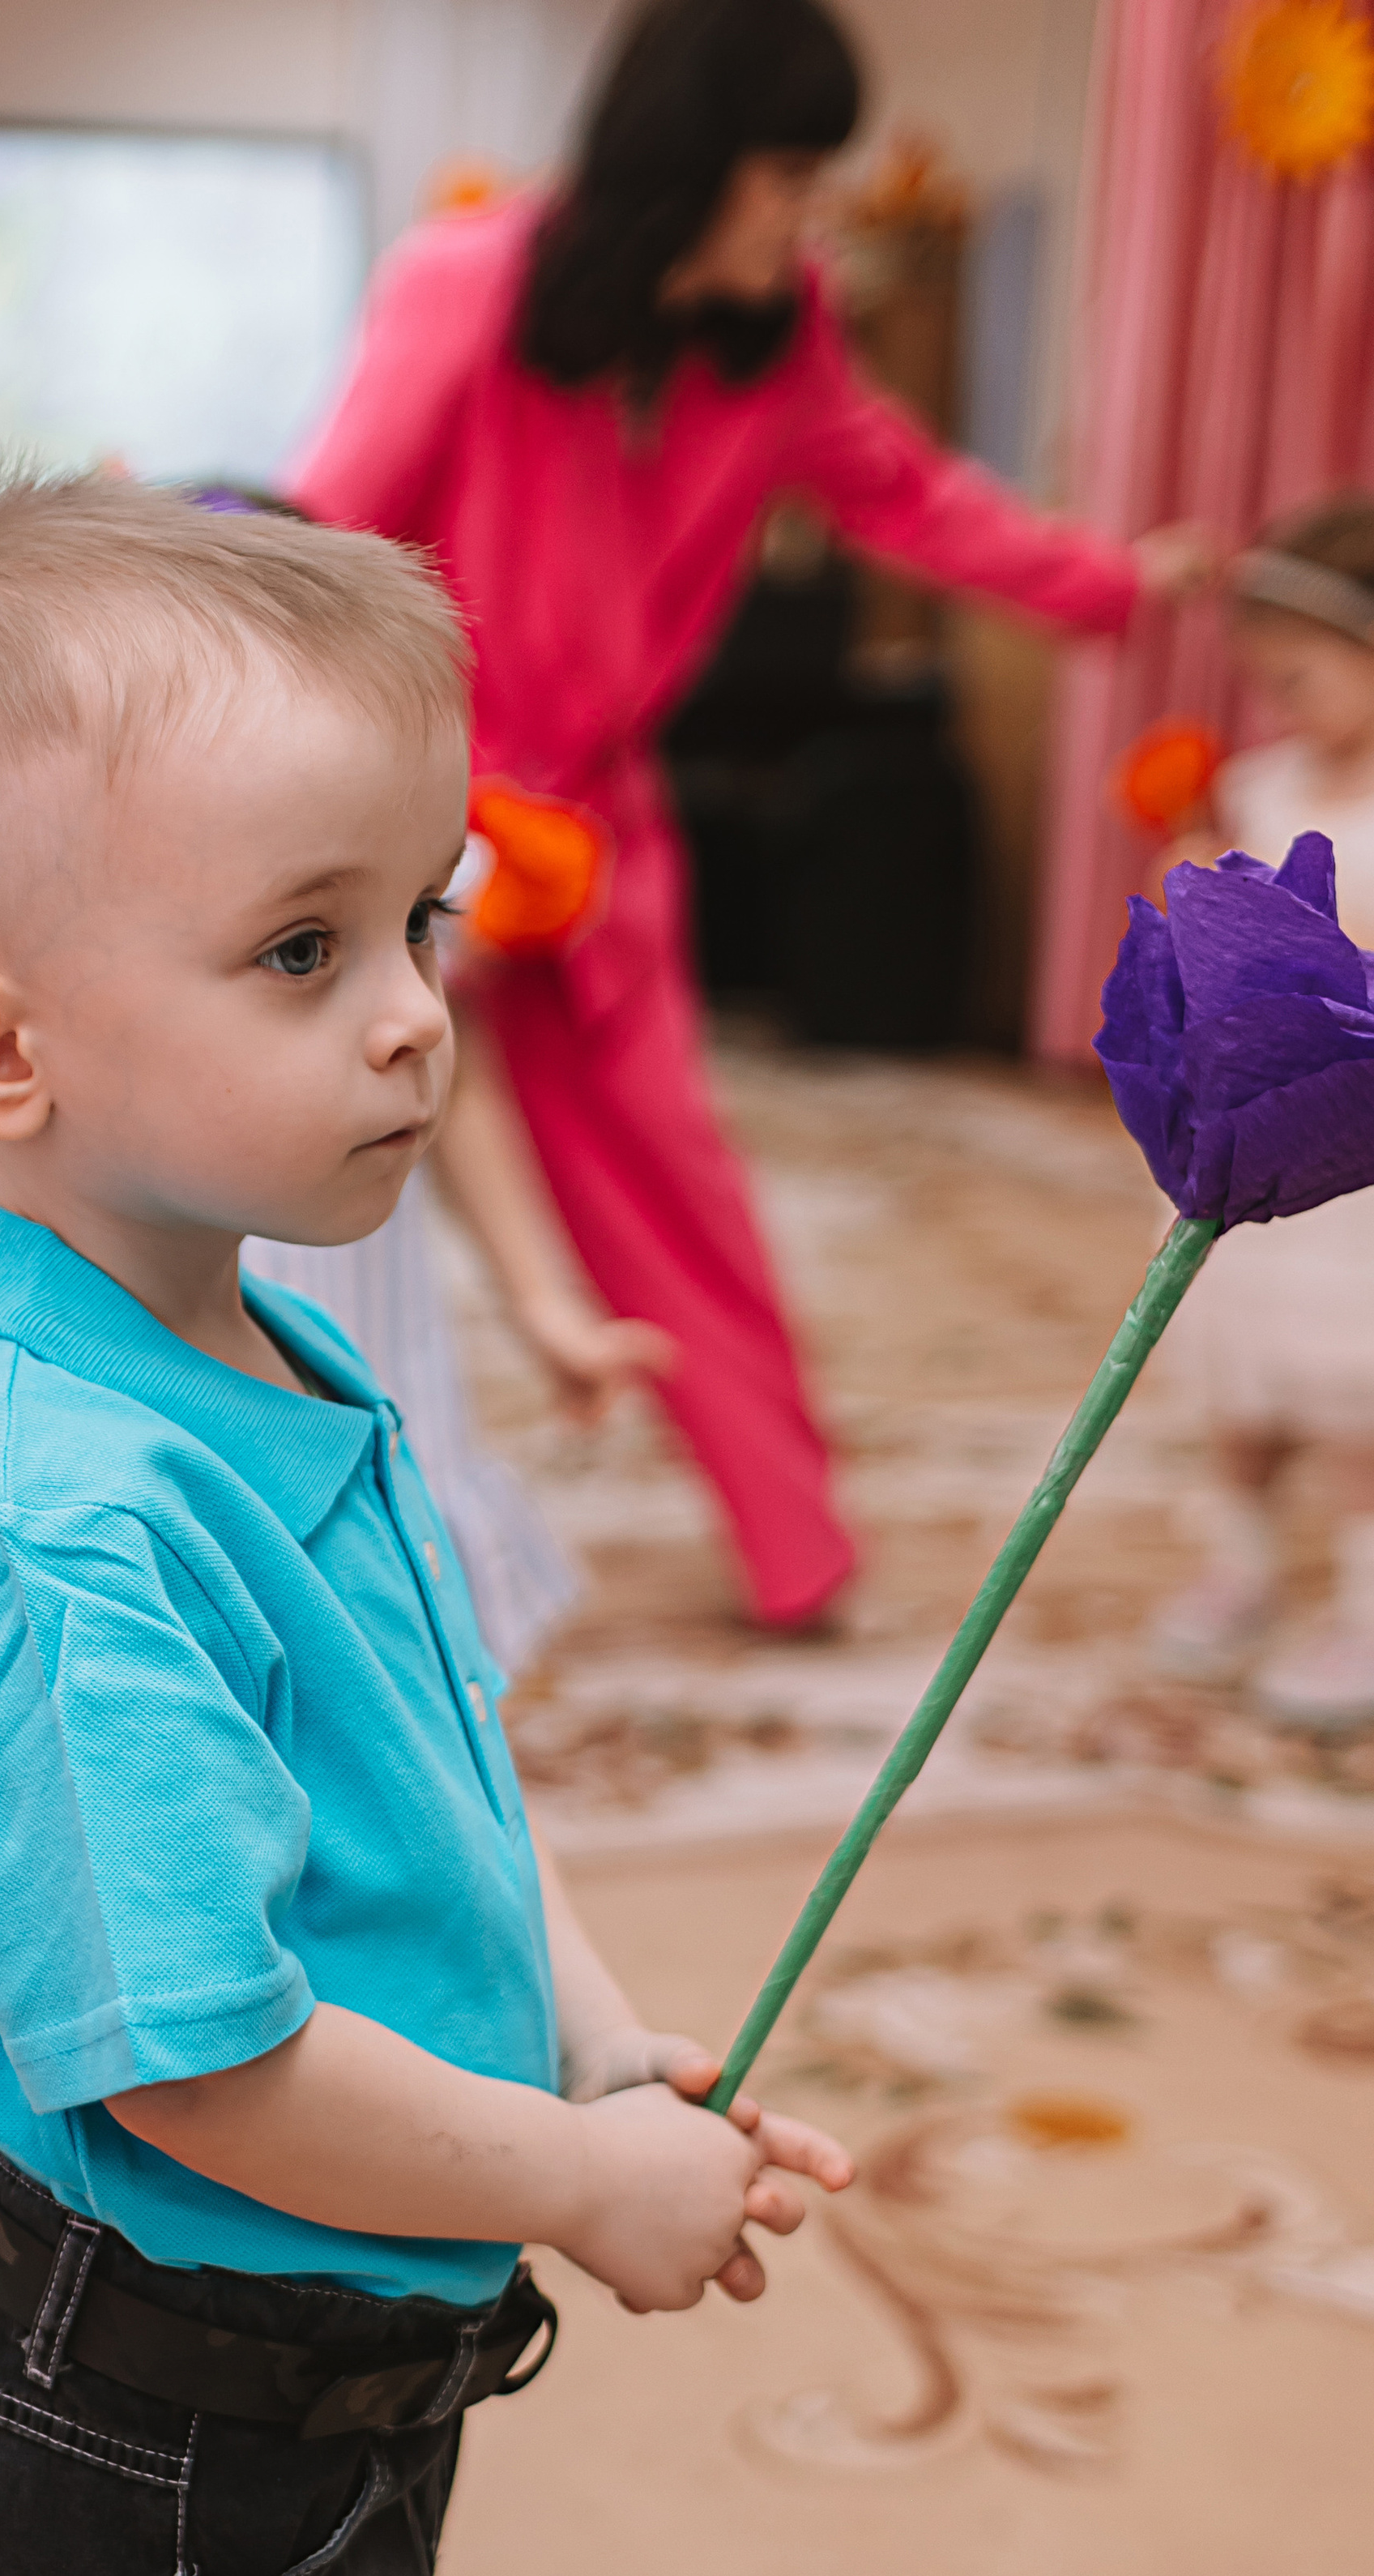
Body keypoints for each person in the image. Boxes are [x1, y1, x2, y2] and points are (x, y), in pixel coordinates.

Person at [0, 470, 853, 2576]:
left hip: (320, 2342)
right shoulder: (62, 1525)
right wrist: (574, 2184)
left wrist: (599, 2049)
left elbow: (442, 1781)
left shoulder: (264, 1348)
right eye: (301, 948)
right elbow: (198, 2059)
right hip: (157, 2390)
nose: (411, 1012)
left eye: (420, 922)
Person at [287, 0, 1210, 1634]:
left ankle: (796, 1548)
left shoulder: (780, 337)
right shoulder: (465, 285)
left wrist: (1109, 582)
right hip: (420, 807)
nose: (812, 213)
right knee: (317, 1175)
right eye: (787, 172)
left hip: (606, 834)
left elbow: (907, 497)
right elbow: (322, 539)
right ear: (685, 162)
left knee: (682, 1186)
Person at [1147, 496, 1374, 1730]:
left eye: (1302, 679)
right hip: (1258, 1127)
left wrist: (1305, 958)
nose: (1282, 705)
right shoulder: (1262, 783)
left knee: (1354, 1392)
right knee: (1245, 1377)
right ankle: (1243, 1564)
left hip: (1372, 1147)